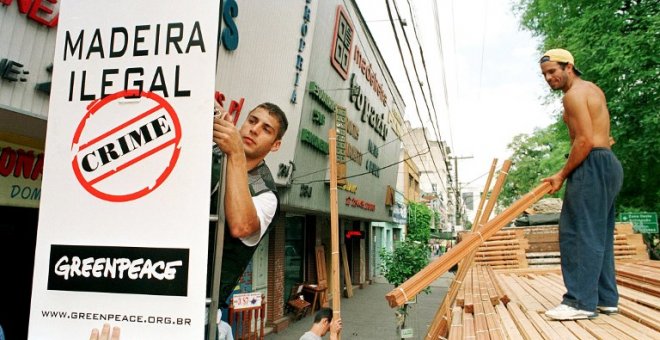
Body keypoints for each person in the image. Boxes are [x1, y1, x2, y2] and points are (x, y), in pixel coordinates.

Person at [539, 49, 623, 321]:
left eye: (553, 71)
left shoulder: (572, 96)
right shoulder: (592, 90)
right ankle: (605, 299)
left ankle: (579, 302)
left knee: (577, 233)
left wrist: (561, 175)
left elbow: (584, 140)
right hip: (608, 163)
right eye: (545, 74)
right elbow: (601, 134)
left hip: (592, 163)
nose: (549, 78)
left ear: (569, 67)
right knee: (599, 234)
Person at [211, 101, 288, 306]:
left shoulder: (267, 194)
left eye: (266, 129)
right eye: (252, 121)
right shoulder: (211, 153)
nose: (254, 130)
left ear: (276, 145)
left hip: (202, 307)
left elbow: (241, 226)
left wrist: (235, 153)